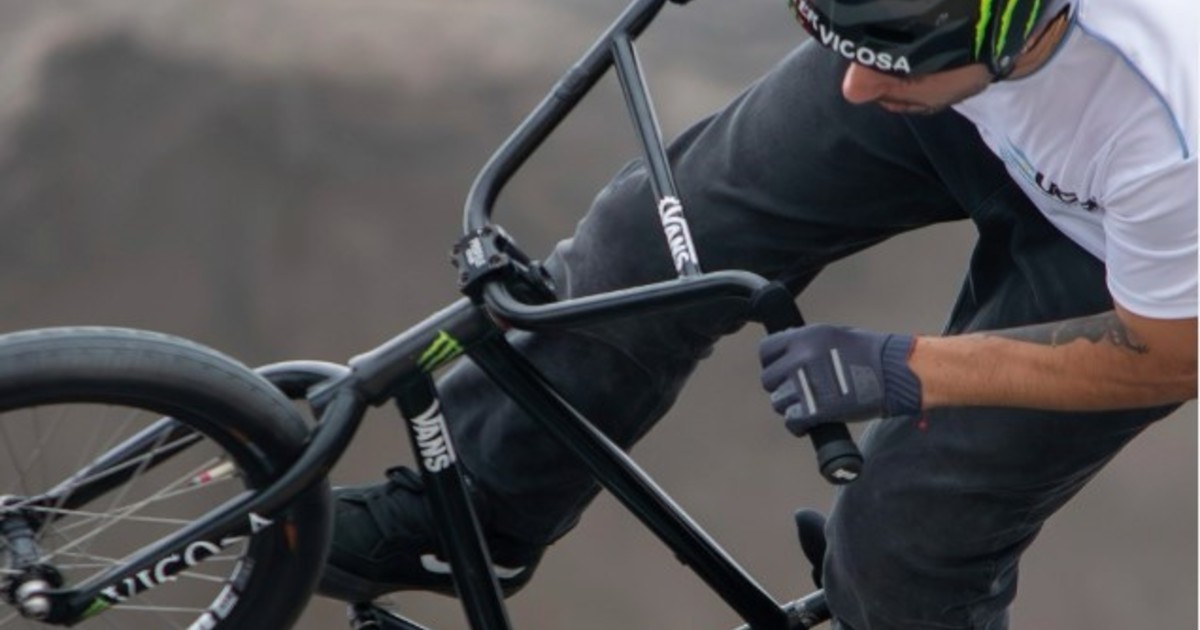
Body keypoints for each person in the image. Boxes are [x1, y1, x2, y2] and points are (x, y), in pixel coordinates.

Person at [318, 0, 1197, 627]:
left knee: (901, 544)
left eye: (881, 51)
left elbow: (1170, 354)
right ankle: (475, 515)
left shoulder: (1170, 116)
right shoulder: (896, 54)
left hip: (1124, 259)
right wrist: (886, 43)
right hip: (948, 90)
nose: (851, 85)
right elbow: (872, 66)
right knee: (646, 243)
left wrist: (905, 368)